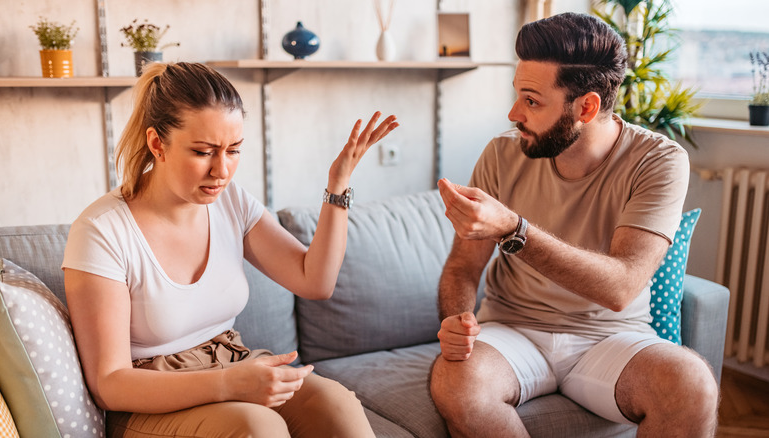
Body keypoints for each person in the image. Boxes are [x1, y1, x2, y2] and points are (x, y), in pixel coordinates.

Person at [61, 62, 398, 437]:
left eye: (234, 150)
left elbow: (315, 281)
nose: (221, 170)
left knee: (335, 403)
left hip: (231, 362)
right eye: (203, 152)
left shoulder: (231, 201)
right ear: (157, 144)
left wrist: (338, 184)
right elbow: (108, 384)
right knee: (258, 427)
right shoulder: (101, 231)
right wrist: (227, 384)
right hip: (149, 400)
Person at [429, 12, 719, 438]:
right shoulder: (501, 154)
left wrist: (514, 230)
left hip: (611, 337)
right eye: (517, 95)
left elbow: (621, 287)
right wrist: (456, 319)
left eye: (532, 101)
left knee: (692, 385)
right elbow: (462, 267)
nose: (513, 113)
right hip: (512, 330)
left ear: (586, 107)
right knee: (456, 382)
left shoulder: (659, 160)